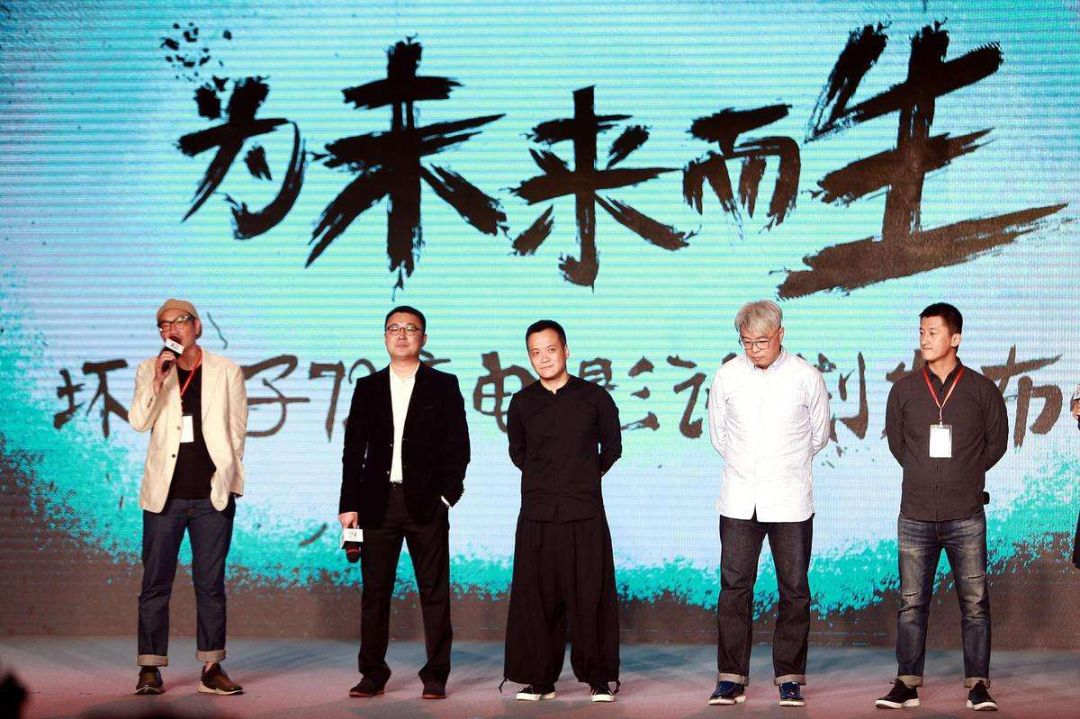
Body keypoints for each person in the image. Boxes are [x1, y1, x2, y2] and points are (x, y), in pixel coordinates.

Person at [877, 303, 1008, 712]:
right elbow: (899, 445)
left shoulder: (982, 390)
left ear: (955, 338)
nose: (924, 339)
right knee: (911, 603)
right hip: (915, 512)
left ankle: (978, 685)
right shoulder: (903, 390)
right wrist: (925, 472)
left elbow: (996, 443)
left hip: (965, 513)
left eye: (932, 332)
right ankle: (906, 683)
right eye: (921, 332)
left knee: (975, 603)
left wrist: (963, 473)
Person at [338, 306, 470, 700]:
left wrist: (447, 496)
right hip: (376, 503)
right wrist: (348, 504)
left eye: (410, 328)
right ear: (384, 337)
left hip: (426, 503)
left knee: (434, 592)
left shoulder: (443, 385)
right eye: (393, 328)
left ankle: (436, 674)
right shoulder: (368, 387)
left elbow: (458, 446)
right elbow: (353, 450)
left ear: (423, 339)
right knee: (375, 593)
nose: (401, 334)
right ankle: (372, 673)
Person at [705, 300, 830, 707]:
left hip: (790, 499)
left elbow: (818, 436)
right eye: (747, 342)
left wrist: (783, 466)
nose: (754, 349)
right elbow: (719, 436)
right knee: (734, 588)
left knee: (794, 589)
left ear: (780, 334)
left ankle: (789, 677)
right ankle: (731, 678)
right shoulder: (727, 375)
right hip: (740, 498)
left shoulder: (805, 377)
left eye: (762, 341)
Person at [128, 299, 248, 696]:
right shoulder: (150, 369)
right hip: (165, 497)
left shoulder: (226, 370)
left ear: (197, 327)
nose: (171, 330)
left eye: (179, 322)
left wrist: (229, 477)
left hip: (212, 497)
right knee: (155, 583)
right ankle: (150, 668)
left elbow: (237, 430)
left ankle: (212, 667)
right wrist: (157, 380)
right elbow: (138, 421)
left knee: (210, 584)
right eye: (163, 325)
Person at [503, 320, 622, 703]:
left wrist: (584, 475)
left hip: (584, 513)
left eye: (550, 350)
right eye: (535, 352)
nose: (544, 358)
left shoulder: (594, 397)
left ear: (566, 351)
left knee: (591, 597)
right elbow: (518, 451)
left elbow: (613, 446)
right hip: (537, 514)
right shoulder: (522, 402)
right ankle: (540, 680)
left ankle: (599, 678)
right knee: (537, 599)